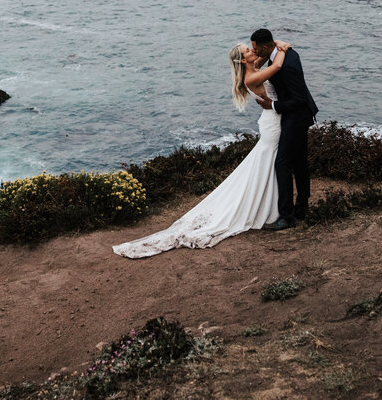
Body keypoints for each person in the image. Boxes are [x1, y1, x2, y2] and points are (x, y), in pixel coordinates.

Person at [112, 41, 293, 258]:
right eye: (248, 50)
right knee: (269, 164)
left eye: (251, 48)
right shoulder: (252, 77)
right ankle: (272, 207)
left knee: (267, 164)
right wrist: (283, 48)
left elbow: (263, 58)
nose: (253, 51)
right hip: (272, 124)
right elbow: (277, 67)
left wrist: (274, 44)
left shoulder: (252, 69)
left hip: (272, 120)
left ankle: (272, 204)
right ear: (243, 60)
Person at [251, 28, 318, 230]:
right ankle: (302, 206)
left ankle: (287, 216)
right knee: (299, 162)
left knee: (283, 164)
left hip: (296, 117)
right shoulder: (284, 54)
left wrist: (272, 105)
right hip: (296, 115)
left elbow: (298, 99)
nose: (254, 52)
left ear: (265, 46)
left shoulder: (286, 64)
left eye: (256, 48)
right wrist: (281, 43)